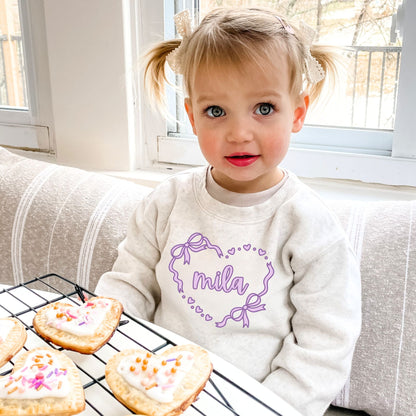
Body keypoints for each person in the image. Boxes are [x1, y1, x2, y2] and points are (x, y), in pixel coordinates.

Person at [96, 7, 361, 416]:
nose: (239, 134)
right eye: (215, 112)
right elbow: (128, 287)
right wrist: (104, 342)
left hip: (256, 405)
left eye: (264, 109)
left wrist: (264, 408)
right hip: (155, 390)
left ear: (298, 113)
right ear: (192, 117)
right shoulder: (166, 202)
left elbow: (323, 346)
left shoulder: (308, 227)